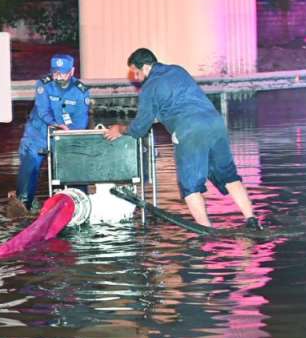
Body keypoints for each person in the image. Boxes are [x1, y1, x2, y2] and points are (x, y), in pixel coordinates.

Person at [104, 48, 260, 230]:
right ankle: (252, 220)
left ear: (145, 67)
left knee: (190, 185)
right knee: (228, 175)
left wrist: (120, 129)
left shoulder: (149, 88)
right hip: (215, 123)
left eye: (136, 72)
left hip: (189, 129)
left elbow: (139, 128)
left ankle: (205, 229)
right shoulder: (177, 70)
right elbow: (182, 101)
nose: (135, 77)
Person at [15, 54, 90, 211]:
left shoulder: (80, 91)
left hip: (66, 135)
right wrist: (56, 125)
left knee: (74, 168)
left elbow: (81, 118)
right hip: (38, 133)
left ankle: (79, 204)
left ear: (72, 71)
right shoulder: (43, 85)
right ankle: (23, 203)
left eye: (63, 72)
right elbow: (43, 110)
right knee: (30, 165)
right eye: (56, 72)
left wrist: (70, 134)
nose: (59, 76)